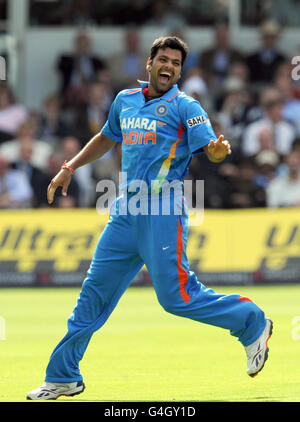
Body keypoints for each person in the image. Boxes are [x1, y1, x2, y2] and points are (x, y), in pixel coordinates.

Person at [27, 36, 273, 400]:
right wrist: (69, 166)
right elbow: (106, 137)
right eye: (164, 59)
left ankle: (252, 322)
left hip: (162, 210)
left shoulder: (186, 107)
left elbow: (212, 150)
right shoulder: (125, 100)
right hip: (126, 211)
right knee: (93, 293)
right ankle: (63, 376)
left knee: (176, 299)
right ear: (149, 63)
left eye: (176, 63)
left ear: (179, 71)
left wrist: (219, 152)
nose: (169, 66)